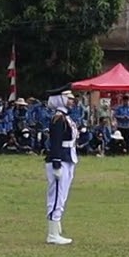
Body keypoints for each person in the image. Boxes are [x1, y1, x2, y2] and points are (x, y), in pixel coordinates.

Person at [44, 88, 80, 245]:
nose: (72, 101)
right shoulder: (58, 119)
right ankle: (52, 233)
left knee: (62, 195)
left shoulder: (65, 117)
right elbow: (56, 142)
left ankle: (56, 227)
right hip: (60, 159)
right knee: (56, 196)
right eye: (69, 98)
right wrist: (57, 162)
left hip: (68, 157)